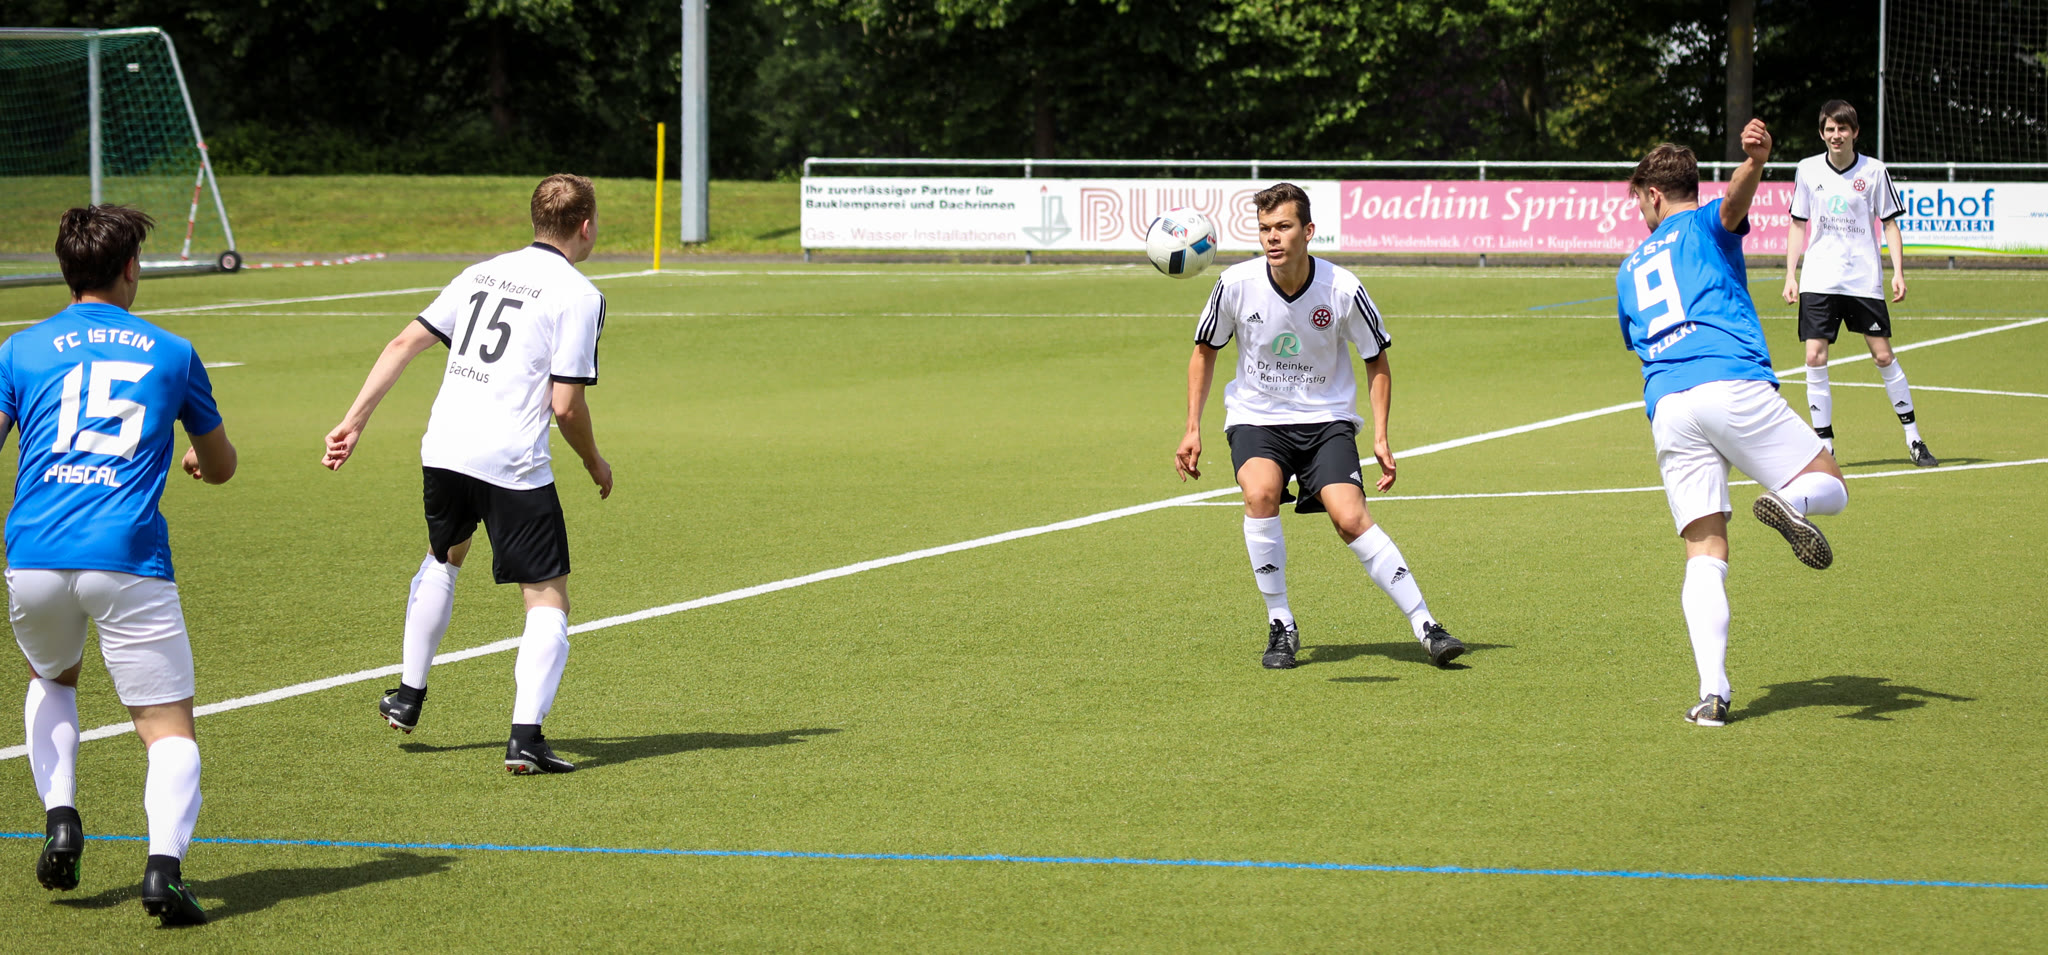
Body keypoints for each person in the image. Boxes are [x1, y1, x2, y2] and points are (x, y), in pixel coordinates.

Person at [324, 174, 611, 774]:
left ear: (536, 219)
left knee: (444, 556)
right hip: (512, 462)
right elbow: (565, 406)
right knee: (547, 596)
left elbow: (402, 344)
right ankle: (525, 738)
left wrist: (353, 421)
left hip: (445, 448)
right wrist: (593, 461)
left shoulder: (481, 272)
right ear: (585, 226)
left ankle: (408, 695)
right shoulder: (579, 295)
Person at [5, 206, 236, 925]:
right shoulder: (173, 351)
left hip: (34, 554)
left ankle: (62, 818)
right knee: (168, 729)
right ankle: (163, 871)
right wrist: (196, 459)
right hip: (128, 556)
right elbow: (221, 464)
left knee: (52, 678)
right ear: (131, 267)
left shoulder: (21, 348)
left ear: (65, 269)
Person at [1174, 183, 1464, 671]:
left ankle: (1426, 625)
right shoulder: (1235, 284)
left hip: (1326, 420)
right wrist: (1191, 428)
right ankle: (1281, 623)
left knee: (1349, 518)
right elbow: (1205, 351)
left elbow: (1376, 358)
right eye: (1264, 229)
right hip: (1258, 417)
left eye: (1283, 227)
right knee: (1260, 494)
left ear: (1307, 231)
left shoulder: (1342, 288)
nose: (1272, 237)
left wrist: (1380, 435)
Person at [1618, 123, 1851, 727]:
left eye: (1638, 200)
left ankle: (1712, 696)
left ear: (1653, 194)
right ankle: (1791, 501)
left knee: (1703, 554)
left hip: (1668, 406)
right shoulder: (1703, 224)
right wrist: (1757, 161)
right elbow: (1733, 203)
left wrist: (1751, 168)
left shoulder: (1628, 268)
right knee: (1830, 484)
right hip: (1728, 381)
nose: (1639, 211)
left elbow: (1635, 340)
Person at [1781, 99, 1935, 467]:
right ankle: (1825, 447)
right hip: (1819, 277)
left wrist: (1898, 271)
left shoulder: (1875, 171)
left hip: (1862, 278)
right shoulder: (1807, 169)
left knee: (1882, 355)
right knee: (1814, 356)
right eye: (1830, 129)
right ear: (1822, 133)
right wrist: (1790, 274)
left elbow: (1890, 224)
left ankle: (1914, 439)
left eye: (1843, 128)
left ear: (1855, 132)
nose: (1836, 135)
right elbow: (1798, 223)